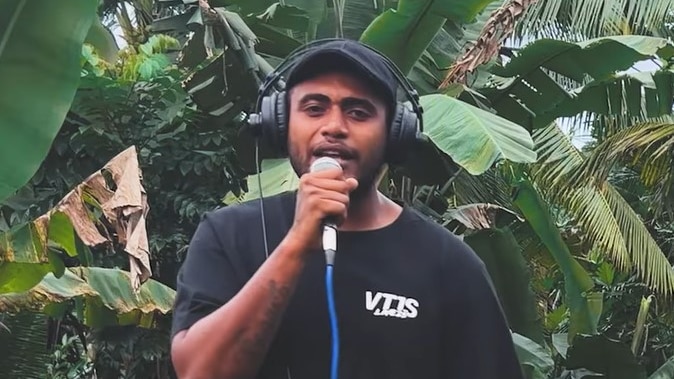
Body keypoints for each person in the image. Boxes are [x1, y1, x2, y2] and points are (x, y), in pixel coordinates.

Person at [170, 38, 524, 379]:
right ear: (280, 124)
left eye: (358, 112)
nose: (334, 127)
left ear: (395, 134)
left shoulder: (449, 264)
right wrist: (297, 243)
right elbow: (200, 372)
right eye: (314, 108)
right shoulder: (228, 235)